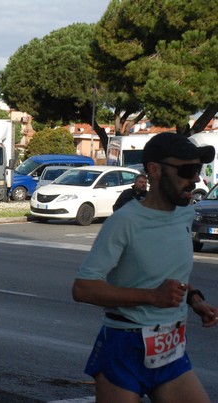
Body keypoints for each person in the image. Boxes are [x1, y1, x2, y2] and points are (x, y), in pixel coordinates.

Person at [72, 132, 218, 402]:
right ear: (154, 170)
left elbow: (166, 275)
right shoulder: (125, 222)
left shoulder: (185, 214)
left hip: (171, 346)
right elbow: (82, 288)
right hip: (124, 346)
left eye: (197, 170)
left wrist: (194, 299)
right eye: (187, 170)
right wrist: (152, 297)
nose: (195, 179)